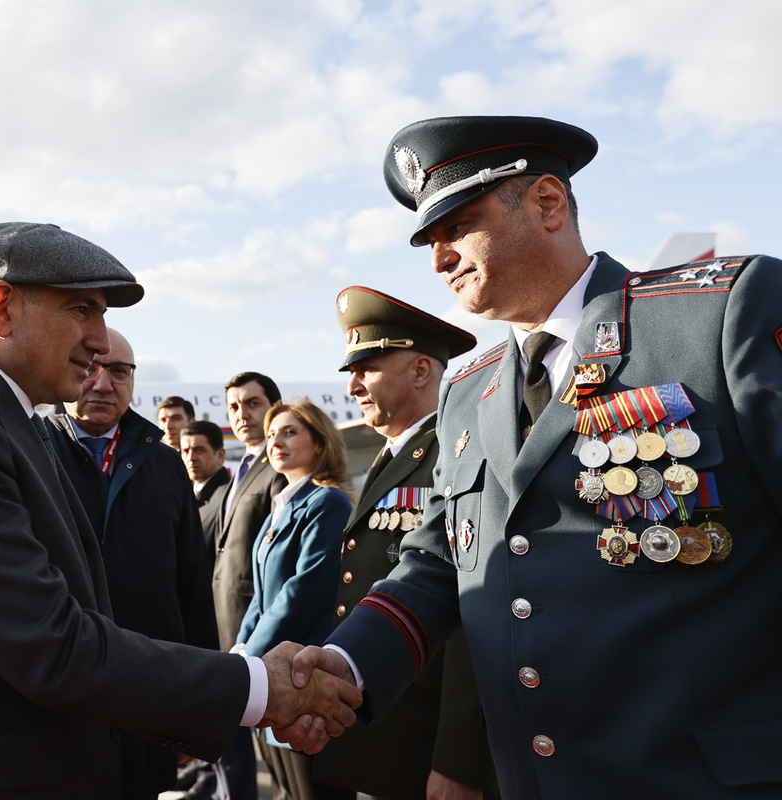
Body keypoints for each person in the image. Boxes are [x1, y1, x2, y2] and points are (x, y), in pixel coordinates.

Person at [282, 116, 782, 798]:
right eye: (430, 241)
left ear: (548, 203)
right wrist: (347, 664)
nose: (439, 260)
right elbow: (437, 561)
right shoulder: (467, 391)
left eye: (458, 227)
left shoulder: (716, 319)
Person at [0, 222, 359, 800]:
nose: (101, 341)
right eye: (81, 310)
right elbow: (47, 643)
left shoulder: (6, 423)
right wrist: (256, 687)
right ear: (2, 309)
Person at [310, 287, 498, 800]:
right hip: (387, 715)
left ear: (419, 371)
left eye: (366, 368)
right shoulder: (394, 454)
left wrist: (459, 758)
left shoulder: (454, 452)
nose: (352, 386)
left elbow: (471, 604)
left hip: (428, 729)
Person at [46, 330, 219, 800]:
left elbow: (192, 590)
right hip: (56, 699)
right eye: (90, 368)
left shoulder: (167, 465)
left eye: (119, 371)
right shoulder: (29, 451)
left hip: (149, 696)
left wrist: (197, 711)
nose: (103, 384)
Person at [234, 401, 353, 800]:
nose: (276, 442)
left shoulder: (327, 502)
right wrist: (241, 648)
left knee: (312, 791)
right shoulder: (278, 510)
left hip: (305, 671)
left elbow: (302, 590)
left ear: (319, 443)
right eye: (271, 435)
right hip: (272, 670)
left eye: (289, 432)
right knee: (285, 790)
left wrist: (251, 655)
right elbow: (261, 595)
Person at [213, 371, 289, 800]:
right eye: (234, 407)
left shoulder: (278, 467)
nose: (242, 414)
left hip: (261, 632)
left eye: (252, 403)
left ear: (274, 407)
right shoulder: (240, 470)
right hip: (233, 628)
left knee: (281, 765)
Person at [182, 419, 231, 556]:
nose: (191, 458)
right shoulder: (180, 495)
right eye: (185, 451)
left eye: (199, 450)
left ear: (220, 455)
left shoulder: (229, 497)